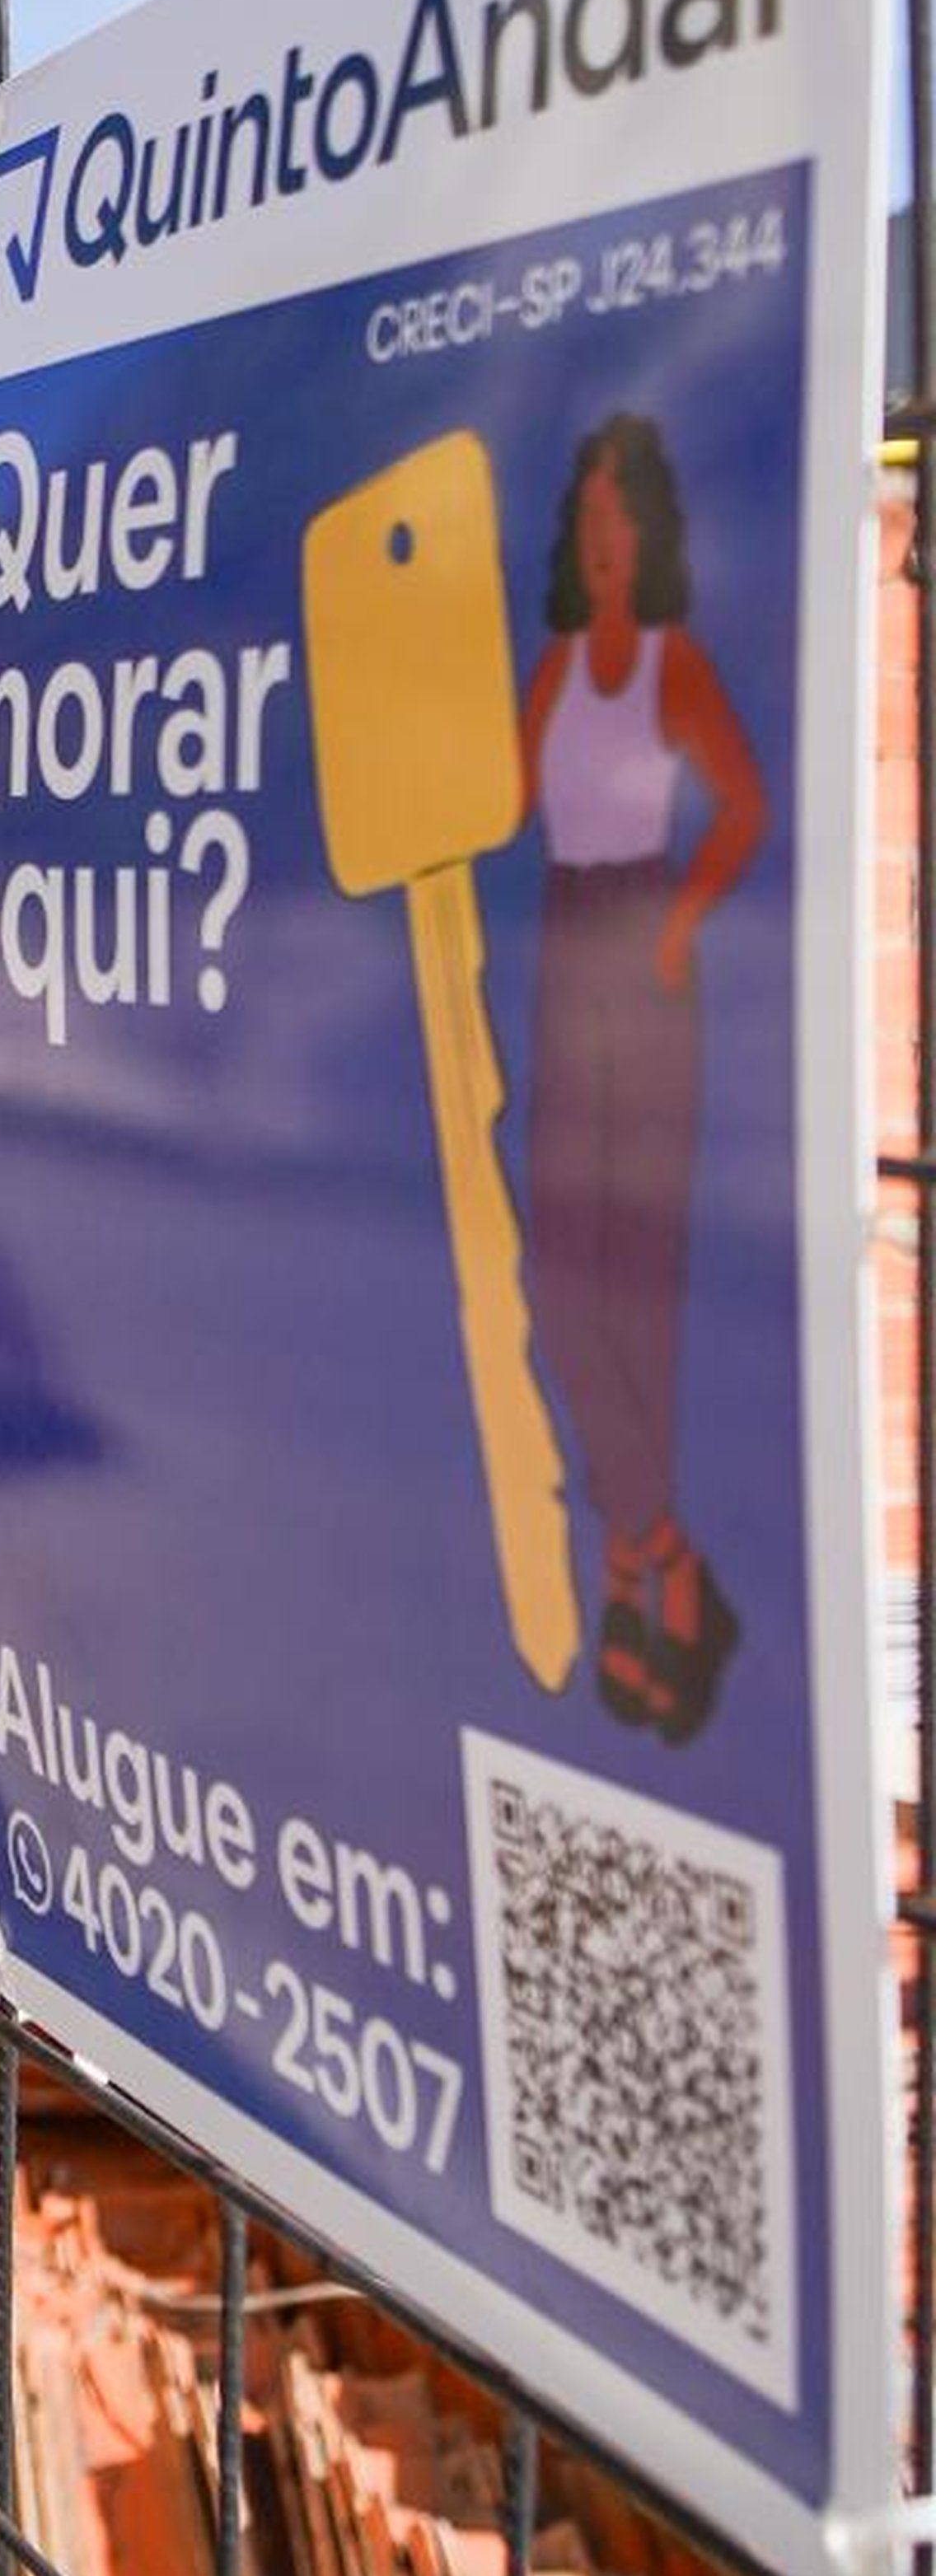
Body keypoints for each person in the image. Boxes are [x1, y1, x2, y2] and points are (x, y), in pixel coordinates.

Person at [519, 413, 765, 1741]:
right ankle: (659, 1553)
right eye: (588, 520)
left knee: (634, 1268)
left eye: (619, 518)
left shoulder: (670, 667)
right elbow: (500, 799)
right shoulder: (561, 666)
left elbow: (743, 804)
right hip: (564, 943)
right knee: (560, 1265)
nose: (602, 539)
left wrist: (677, 923)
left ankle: (639, 1576)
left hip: (643, 948)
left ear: (647, 531)